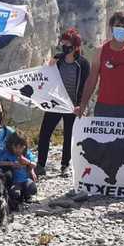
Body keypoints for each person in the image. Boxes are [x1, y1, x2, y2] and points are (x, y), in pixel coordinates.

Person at [36, 28, 90, 177]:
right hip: (55, 103)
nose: (64, 46)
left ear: (76, 46)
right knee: (45, 133)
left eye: (68, 44)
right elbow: (47, 77)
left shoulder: (83, 64)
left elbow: (86, 85)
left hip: (72, 106)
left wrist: (80, 105)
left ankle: (65, 165)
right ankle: (40, 164)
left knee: (68, 136)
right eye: (63, 43)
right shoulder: (58, 60)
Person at [77, 12, 124, 119]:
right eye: (118, 26)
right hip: (103, 107)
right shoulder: (100, 51)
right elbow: (92, 80)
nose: (121, 29)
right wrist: (83, 104)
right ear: (111, 27)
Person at [0, 131, 38, 205]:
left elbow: (34, 164)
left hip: (26, 179)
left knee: (32, 189)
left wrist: (27, 162)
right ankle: (20, 197)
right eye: (15, 147)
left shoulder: (27, 153)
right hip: (15, 181)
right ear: (11, 146)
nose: (18, 150)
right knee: (15, 194)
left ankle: (27, 195)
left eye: (21, 147)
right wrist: (11, 163)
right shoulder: (8, 154)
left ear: (24, 146)